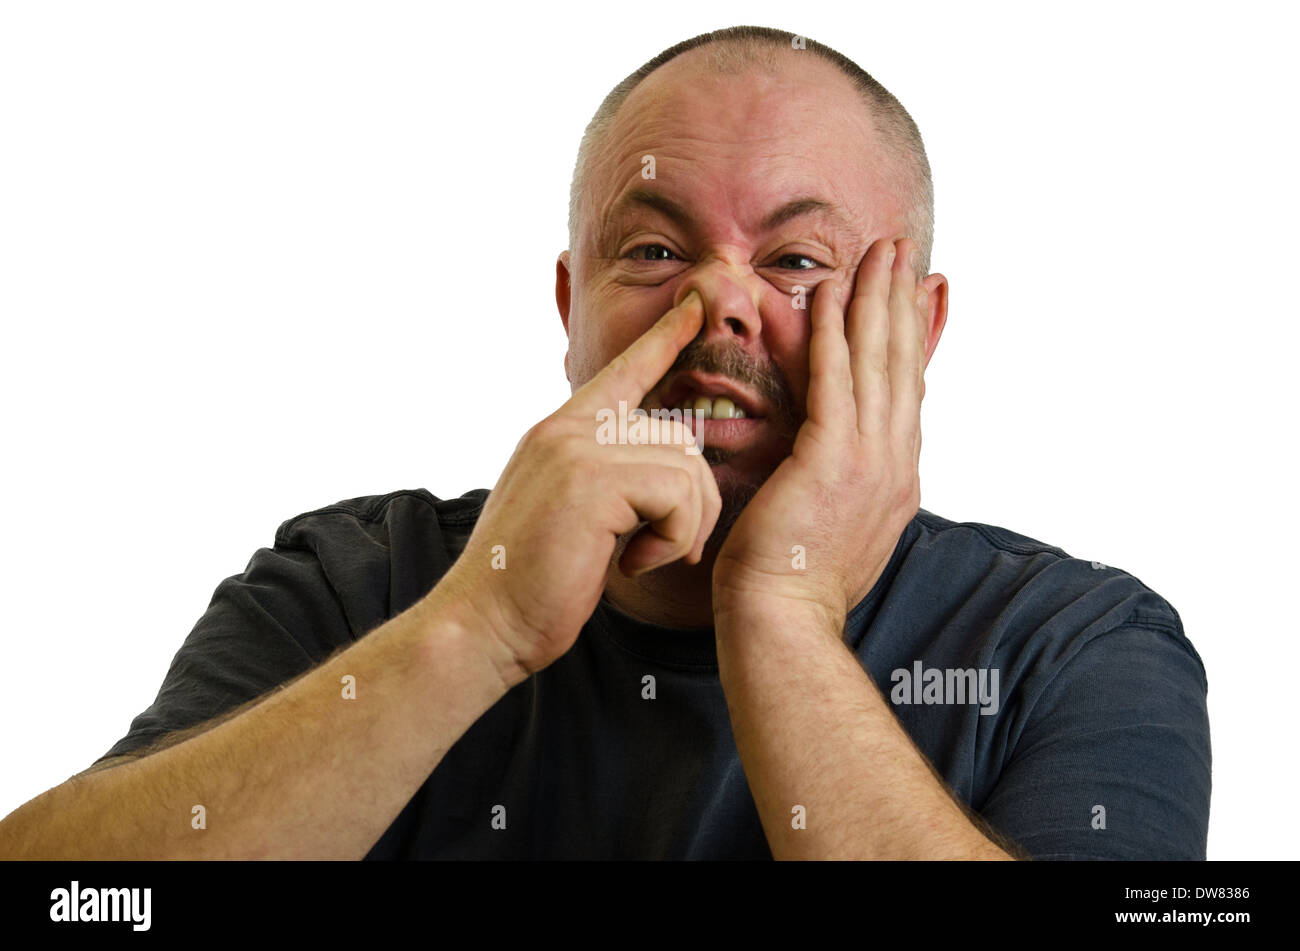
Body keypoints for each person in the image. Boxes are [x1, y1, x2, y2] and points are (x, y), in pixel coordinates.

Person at [0, 25, 1210, 860]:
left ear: (919, 327)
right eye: (654, 253)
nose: (721, 304)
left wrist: (779, 613)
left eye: (793, 260)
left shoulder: (1076, 646)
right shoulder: (353, 584)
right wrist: (478, 628)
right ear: (569, 308)